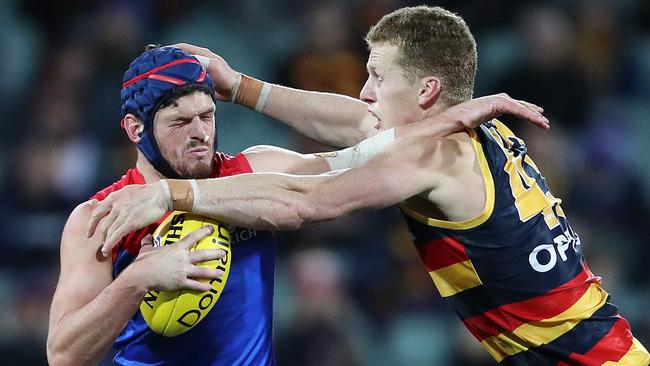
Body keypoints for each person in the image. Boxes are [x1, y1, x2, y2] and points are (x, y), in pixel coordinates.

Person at [89, 6, 649, 365]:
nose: (363, 91)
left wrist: (169, 194)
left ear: (427, 90)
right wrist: (240, 87)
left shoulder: (428, 154)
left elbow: (303, 202)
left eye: (377, 77)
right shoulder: (472, 128)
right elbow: (357, 124)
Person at [45, 43, 542, 365]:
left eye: (207, 115)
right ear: (135, 130)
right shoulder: (101, 216)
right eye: (179, 123)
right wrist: (136, 280)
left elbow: (367, 149)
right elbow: (63, 355)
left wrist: (448, 118)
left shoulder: (255, 169)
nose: (200, 134)